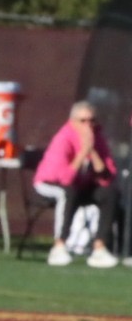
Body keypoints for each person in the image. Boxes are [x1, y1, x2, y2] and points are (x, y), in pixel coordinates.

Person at [33, 101, 119, 267]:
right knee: (67, 192)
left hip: (79, 186)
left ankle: (99, 248)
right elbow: (64, 178)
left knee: (109, 193)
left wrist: (92, 151)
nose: (88, 125)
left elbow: (107, 176)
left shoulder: (98, 138)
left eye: (92, 120)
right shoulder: (63, 138)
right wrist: (82, 153)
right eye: (83, 121)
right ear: (72, 122)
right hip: (49, 185)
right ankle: (59, 246)